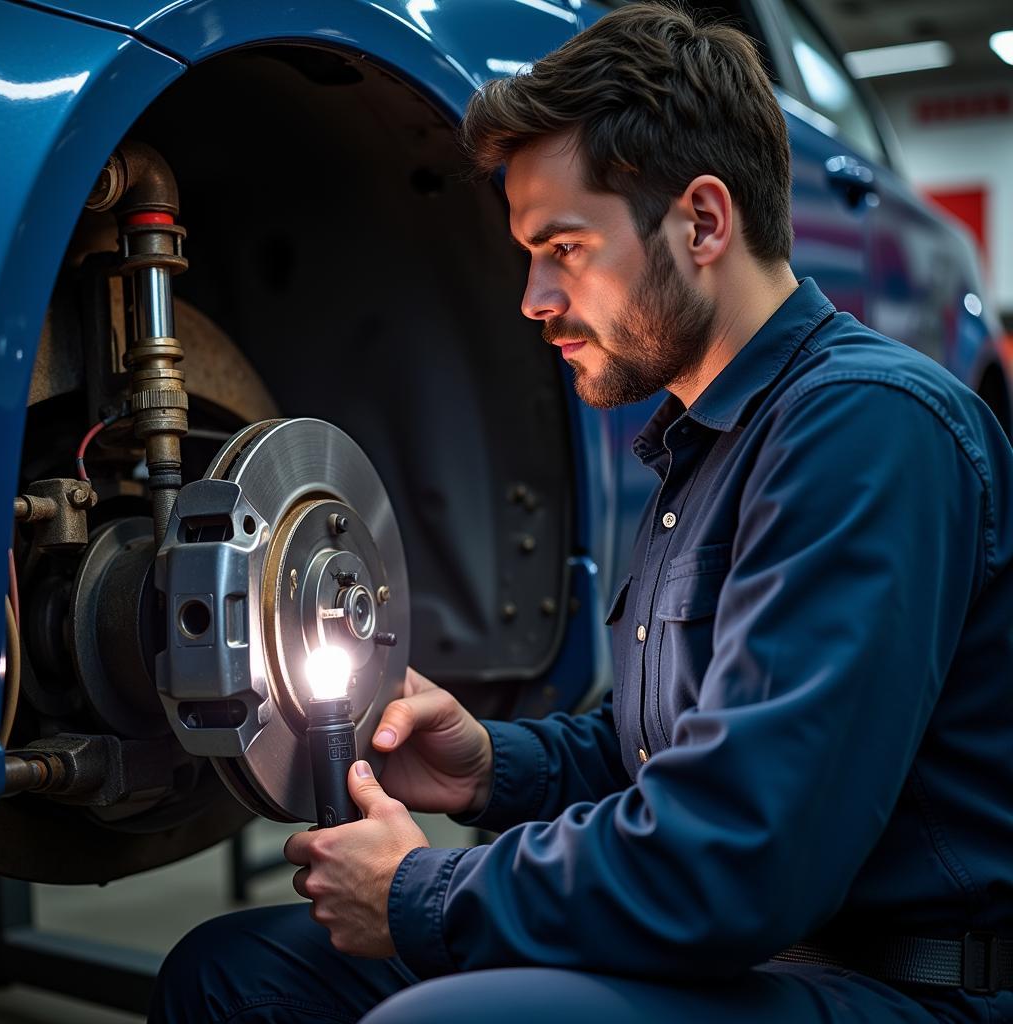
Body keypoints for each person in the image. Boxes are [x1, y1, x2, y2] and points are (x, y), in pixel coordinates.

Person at [150, 3, 1013, 1021]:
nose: (532, 297)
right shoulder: (708, 438)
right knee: (235, 970)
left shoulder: (866, 433)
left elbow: (737, 860)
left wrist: (420, 894)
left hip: (893, 983)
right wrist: (490, 766)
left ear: (701, 221)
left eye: (563, 246)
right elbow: (677, 750)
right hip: (759, 944)